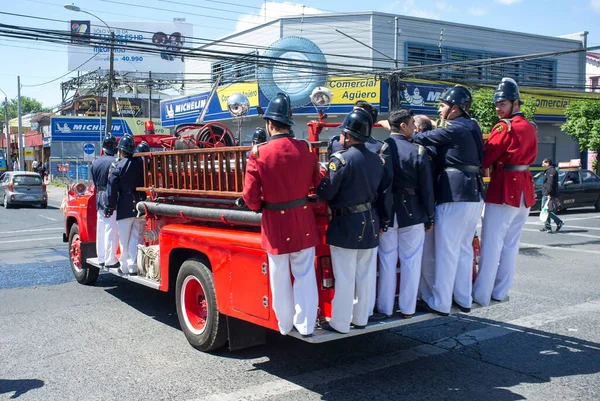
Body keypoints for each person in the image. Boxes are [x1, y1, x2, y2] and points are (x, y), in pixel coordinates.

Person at [242, 93, 321, 337]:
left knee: (279, 277)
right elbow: (318, 183)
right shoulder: (306, 148)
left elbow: (250, 196)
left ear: (269, 124)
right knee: (305, 274)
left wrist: (257, 208)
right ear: (289, 123)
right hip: (303, 219)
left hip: (275, 222)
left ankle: (285, 325)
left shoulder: (258, 153)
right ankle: (306, 325)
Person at [411, 85, 485, 316]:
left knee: (446, 250)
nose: (440, 110)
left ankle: (441, 302)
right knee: (463, 249)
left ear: (455, 109)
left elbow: (422, 137)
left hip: (454, 192)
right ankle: (463, 298)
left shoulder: (454, 128)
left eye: (443, 105)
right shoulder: (471, 125)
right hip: (472, 192)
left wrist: (410, 130)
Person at [316, 108, 390, 333]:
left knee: (345, 277)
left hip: (346, 223)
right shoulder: (377, 160)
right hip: (370, 221)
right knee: (365, 275)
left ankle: (340, 323)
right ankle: (361, 318)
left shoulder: (341, 160)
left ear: (347, 135)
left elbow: (326, 192)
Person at [472, 78, 538, 307]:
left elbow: (486, 157)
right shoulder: (530, 126)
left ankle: (481, 294)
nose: (498, 108)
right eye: (496, 104)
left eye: (502, 103)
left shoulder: (504, 127)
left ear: (515, 103)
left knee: (492, 244)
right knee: (511, 245)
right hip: (524, 189)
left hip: (505, 189)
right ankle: (500, 291)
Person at [376, 109, 434, 319]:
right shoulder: (417, 150)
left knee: (387, 261)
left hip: (389, 211)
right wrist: (429, 215)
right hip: (413, 210)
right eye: (411, 124)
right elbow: (427, 188)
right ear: (403, 125)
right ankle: (408, 308)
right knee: (411, 261)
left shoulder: (383, 148)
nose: (414, 128)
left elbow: (380, 186)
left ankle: (384, 307)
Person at [106, 135, 147, 275]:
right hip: (141, 203)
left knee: (124, 239)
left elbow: (112, 188)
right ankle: (133, 266)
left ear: (121, 151)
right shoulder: (141, 162)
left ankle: (124, 266)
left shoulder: (117, 165)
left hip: (124, 203)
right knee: (137, 236)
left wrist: (110, 206)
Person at [413, 115, 438, 303]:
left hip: (419, 207)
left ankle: (425, 294)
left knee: (423, 255)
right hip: (434, 204)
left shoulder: (419, 149)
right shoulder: (437, 147)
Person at [91, 134, 120, 269]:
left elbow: (94, 182)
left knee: (101, 228)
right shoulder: (115, 162)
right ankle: (110, 259)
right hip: (109, 196)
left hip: (99, 195)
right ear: (114, 147)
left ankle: (101, 257)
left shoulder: (95, 162)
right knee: (111, 229)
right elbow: (114, 183)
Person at [539, 158, 564, 233]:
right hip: (546, 193)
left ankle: (558, 221)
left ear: (547, 163)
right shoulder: (548, 171)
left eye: (543, 163)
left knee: (545, 210)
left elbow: (550, 183)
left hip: (548, 194)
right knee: (545, 210)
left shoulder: (551, 171)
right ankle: (547, 227)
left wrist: (548, 193)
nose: (542, 164)